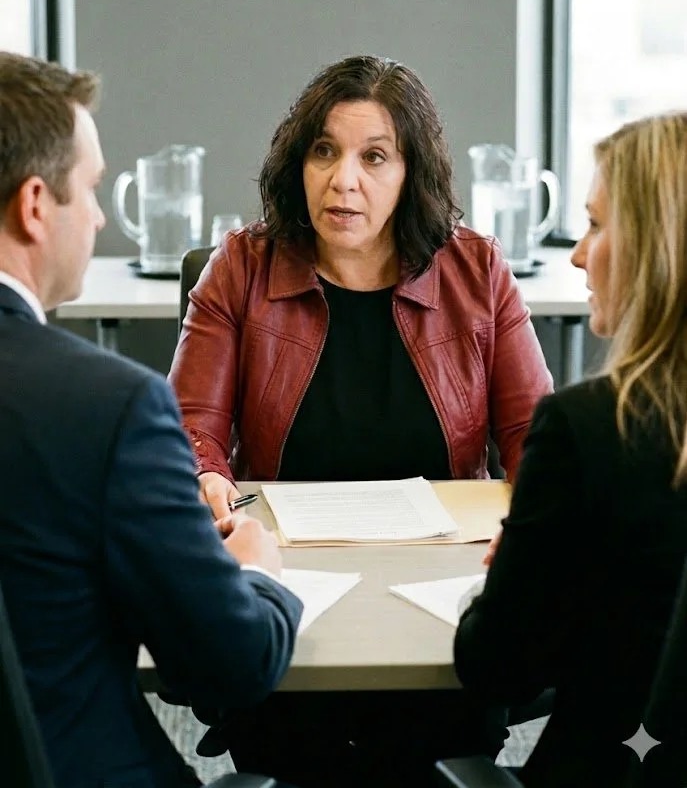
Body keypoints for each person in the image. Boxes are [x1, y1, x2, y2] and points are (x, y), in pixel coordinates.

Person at [168, 54, 553, 786]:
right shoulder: (240, 268)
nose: (342, 180)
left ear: (411, 175)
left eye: (374, 157)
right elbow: (191, 432)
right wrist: (206, 480)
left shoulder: (477, 270)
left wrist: (530, 526)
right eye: (323, 151)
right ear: (297, 163)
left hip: (437, 583)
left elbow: (536, 437)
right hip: (292, 584)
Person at [0, 52, 303, 788]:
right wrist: (261, 576)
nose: (101, 217)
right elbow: (231, 666)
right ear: (36, 204)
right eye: (93, 190)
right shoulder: (107, 407)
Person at [454, 112, 687, 788]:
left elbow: (497, 668)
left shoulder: (589, 429)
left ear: (654, 246)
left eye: (595, 225)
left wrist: (509, 582)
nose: (579, 254)